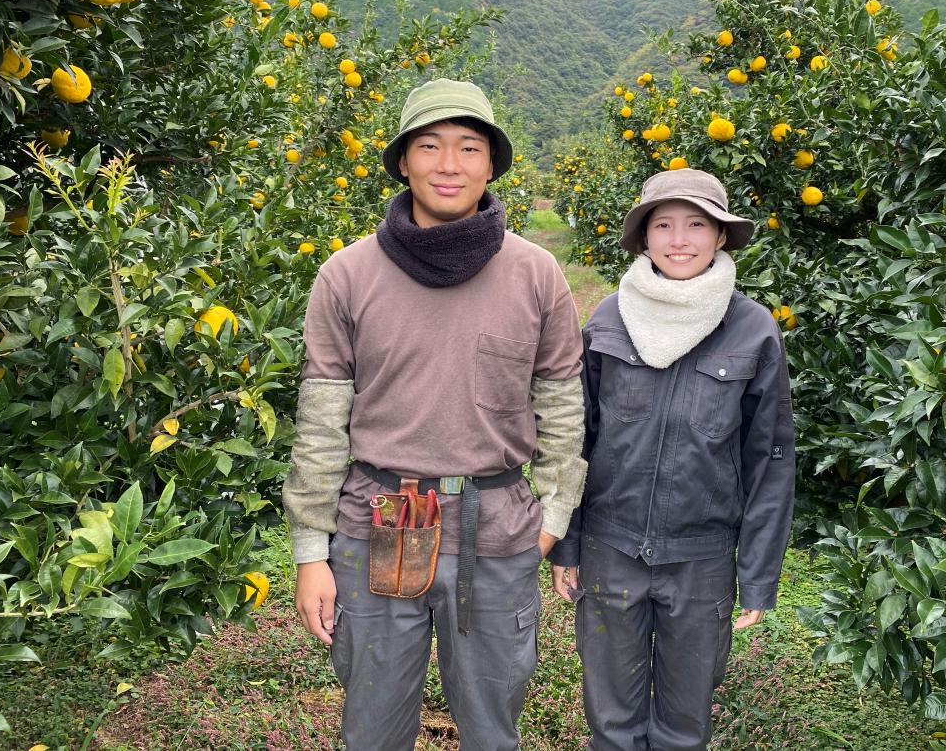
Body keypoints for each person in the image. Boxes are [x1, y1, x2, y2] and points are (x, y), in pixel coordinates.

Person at [282, 78, 587, 750]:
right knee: (372, 724)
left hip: (497, 527)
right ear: (401, 161)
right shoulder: (347, 275)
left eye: (469, 147)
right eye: (430, 146)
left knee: (490, 725)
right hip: (377, 521)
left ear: (491, 164)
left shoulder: (536, 274)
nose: (449, 165)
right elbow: (322, 423)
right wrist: (311, 550)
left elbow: (563, 407)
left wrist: (553, 516)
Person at [548, 167, 796, 751]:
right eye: (663, 225)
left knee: (685, 724)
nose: (679, 239)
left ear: (720, 237)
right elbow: (575, 438)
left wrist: (757, 575)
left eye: (696, 225)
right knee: (609, 718)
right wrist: (567, 540)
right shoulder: (610, 317)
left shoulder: (753, 329)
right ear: (644, 237)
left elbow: (771, 459)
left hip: (702, 558)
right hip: (612, 549)